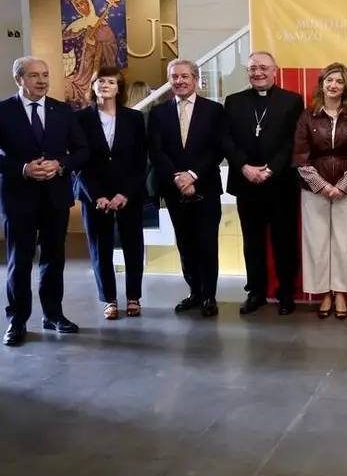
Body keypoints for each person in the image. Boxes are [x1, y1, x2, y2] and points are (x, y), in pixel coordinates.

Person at [0, 57, 88, 346]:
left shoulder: (62, 110)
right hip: (18, 198)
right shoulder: (3, 111)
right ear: (19, 79)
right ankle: (17, 320)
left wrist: (60, 165)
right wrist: (23, 168)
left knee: (54, 259)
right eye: (34, 75)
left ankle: (53, 314)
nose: (42, 80)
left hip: (55, 196)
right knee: (20, 261)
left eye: (45, 75)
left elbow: (82, 150)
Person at [223, 51, 304, 316]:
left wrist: (271, 169)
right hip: (246, 183)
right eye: (252, 68)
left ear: (274, 70)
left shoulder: (292, 101)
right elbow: (226, 139)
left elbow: (293, 140)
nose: (257, 72)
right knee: (252, 242)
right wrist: (244, 166)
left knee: (285, 241)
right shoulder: (234, 101)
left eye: (263, 67)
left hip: (280, 184)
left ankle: (286, 293)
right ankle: (255, 292)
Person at [148, 58, 226, 318]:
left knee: (207, 243)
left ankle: (209, 295)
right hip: (174, 189)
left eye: (184, 76)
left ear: (195, 79)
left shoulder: (214, 110)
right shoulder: (158, 113)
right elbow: (156, 151)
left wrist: (192, 176)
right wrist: (177, 178)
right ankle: (194, 292)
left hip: (206, 186)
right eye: (174, 77)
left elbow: (217, 149)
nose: (179, 81)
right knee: (185, 243)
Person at [293, 63, 347, 320]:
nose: (334, 85)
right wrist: (323, 186)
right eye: (329, 80)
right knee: (317, 242)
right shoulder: (307, 116)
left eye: (339, 81)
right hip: (314, 191)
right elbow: (300, 156)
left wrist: (342, 186)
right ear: (322, 84)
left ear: (345, 87)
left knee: (345, 242)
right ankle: (324, 293)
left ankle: (341, 293)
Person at [74, 67, 148, 320]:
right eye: (100, 81)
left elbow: (140, 160)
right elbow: (79, 161)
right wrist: (97, 195)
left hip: (128, 193)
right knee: (100, 249)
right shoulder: (80, 119)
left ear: (119, 88)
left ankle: (134, 297)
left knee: (133, 246)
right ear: (93, 86)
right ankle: (109, 299)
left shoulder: (134, 118)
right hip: (94, 195)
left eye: (111, 82)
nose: (105, 85)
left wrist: (125, 193)